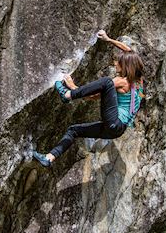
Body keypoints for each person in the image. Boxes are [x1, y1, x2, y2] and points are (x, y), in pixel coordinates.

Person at [33, 30, 145, 167]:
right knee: (73, 130)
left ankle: (67, 95)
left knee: (107, 81)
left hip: (114, 122)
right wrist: (108, 39)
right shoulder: (138, 81)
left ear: (125, 66)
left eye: (118, 62)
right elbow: (130, 53)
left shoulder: (121, 82)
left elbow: (97, 91)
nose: (115, 64)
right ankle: (49, 158)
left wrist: (72, 87)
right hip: (116, 130)